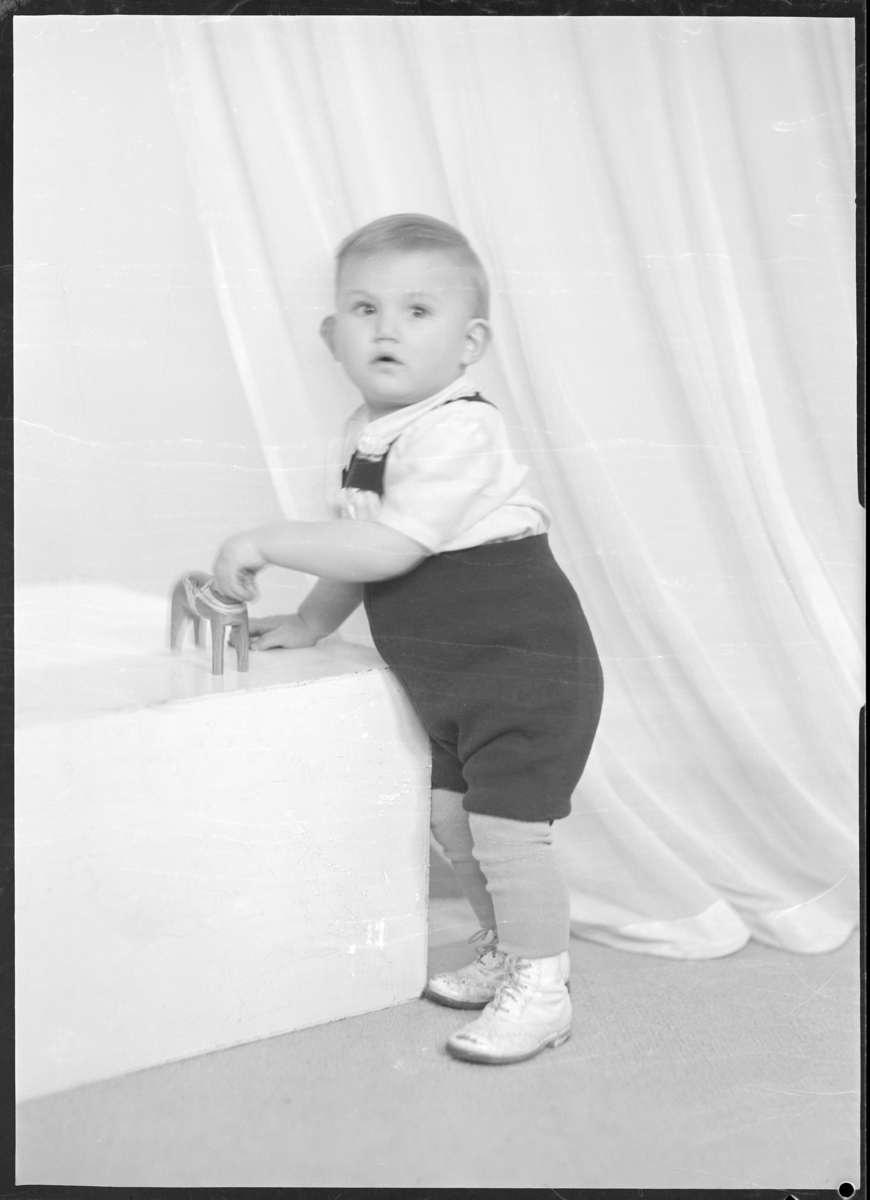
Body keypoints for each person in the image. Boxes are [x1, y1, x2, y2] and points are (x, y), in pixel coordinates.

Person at [212, 213, 604, 1064]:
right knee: (452, 820)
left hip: (524, 668)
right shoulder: (370, 431)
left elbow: (392, 548)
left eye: (418, 311)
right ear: (332, 336)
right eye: (365, 309)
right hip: (456, 679)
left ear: (470, 343)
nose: (387, 328)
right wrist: (311, 620)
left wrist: (265, 541)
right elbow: (363, 545)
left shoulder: (459, 427)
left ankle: (544, 988)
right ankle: (509, 949)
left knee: (509, 833)